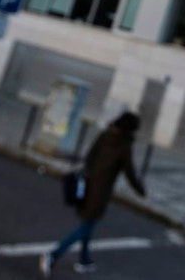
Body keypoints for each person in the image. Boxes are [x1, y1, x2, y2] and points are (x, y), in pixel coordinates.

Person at [40, 112, 146, 276]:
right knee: (85, 227)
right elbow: (129, 173)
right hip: (101, 192)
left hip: (88, 184)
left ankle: (84, 259)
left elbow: (89, 157)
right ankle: (53, 255)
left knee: (88, 225)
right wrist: (140, 190)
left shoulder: (105, 135)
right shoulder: (124, 147)